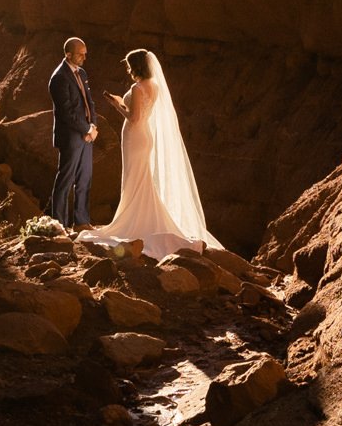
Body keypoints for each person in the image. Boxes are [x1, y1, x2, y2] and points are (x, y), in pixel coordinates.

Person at [84, 47, 221, 259]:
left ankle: (133, 222)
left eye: (129, 65)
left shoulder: (137, 88)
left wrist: (117, 104)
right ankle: (144, 217)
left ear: (136, 66)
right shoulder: (154, 85)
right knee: (141, 179)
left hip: (135, 136)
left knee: (134, 179)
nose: (128, 70)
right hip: (144, 136)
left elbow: (134, 117)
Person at [48, 35, 99, 228]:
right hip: (70, 137)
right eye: (80, 54)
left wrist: (93, 126)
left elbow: (89, 102)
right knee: (65, 181)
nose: (84, 58)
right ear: (68, 54)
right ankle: (59, 225)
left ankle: (81, 221)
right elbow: (66, 112)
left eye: (85, 54)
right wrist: (86, 128)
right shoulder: (59, 78)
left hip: (86, 135)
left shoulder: (82, 73)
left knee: (84, 179)